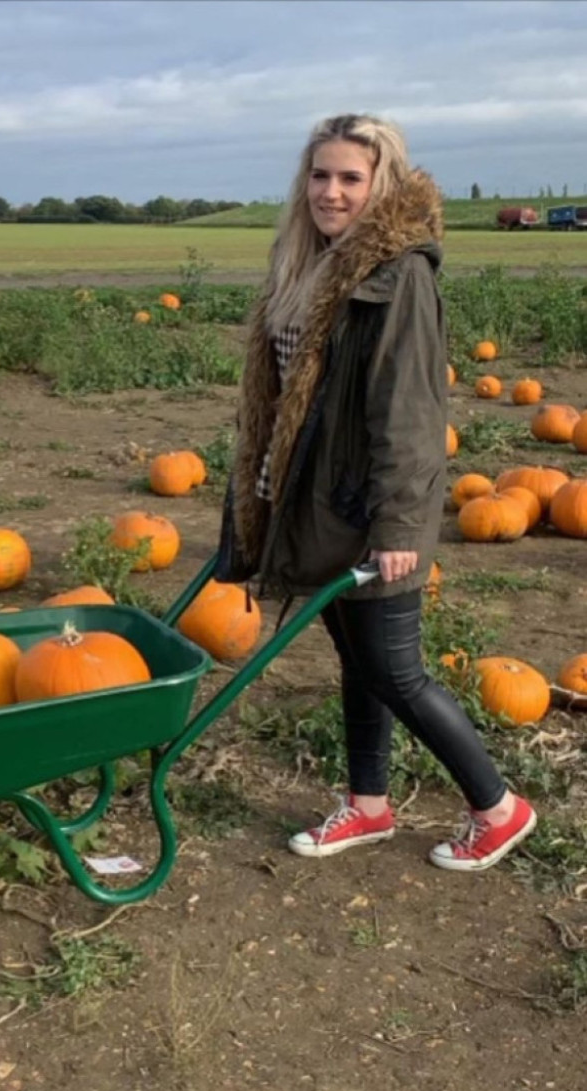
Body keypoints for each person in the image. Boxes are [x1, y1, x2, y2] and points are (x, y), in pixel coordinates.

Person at [215, 113, 536, 872]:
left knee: (396, 669)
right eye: (320, 176)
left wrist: (398, 528)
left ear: (381, 185)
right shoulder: (311, 265)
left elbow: (410, 414)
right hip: (320, 503)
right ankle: (369, 805)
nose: (332, 192)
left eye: (350, 179)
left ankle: (498, 807)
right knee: (358, 665)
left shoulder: (400, 276)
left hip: (369, 509)